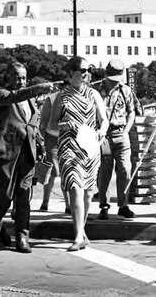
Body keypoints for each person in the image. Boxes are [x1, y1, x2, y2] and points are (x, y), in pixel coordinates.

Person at [0, 62, 54, 253]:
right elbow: (13, 97)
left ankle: (22, 236)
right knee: (5, 195)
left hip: (28, 152)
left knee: (24, 195)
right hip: (7, 152)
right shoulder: (0, 93)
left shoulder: (30, 99)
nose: (21, 81)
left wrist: (40, 143)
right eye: (17, 77)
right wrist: (36, 89)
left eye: (24, 78)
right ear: (9, 77)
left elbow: (32, 124)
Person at [47, 56, 108, 251]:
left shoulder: (93, 94)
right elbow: (51, 126)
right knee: (75, 187)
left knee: (89, 192)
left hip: (90, 146)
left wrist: (102, 130)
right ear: (71, 73)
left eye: (88, 70)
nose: (86, 73)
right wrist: (65, 125)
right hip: (70, 147)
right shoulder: (62, 96)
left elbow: (104, 119)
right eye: (82, 70)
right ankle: (78, 235)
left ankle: (82, 231)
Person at [95, 58, 136, 220]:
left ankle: (123, 204)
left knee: (125, 169)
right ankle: (104, 205)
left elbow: (131, 111)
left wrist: (126, 130)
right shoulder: (97, 90)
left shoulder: (125, 90)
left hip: (120, 132)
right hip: (104, 135)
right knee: (104, 171)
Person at [37, 86, 70, 213]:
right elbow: (43, 123)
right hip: (52, 138)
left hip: (69, 139)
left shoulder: (78, 97)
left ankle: (68, 205)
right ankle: (45, 202)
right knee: (51, 172)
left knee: (66, 172)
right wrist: (42, 142)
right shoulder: (51, 99)